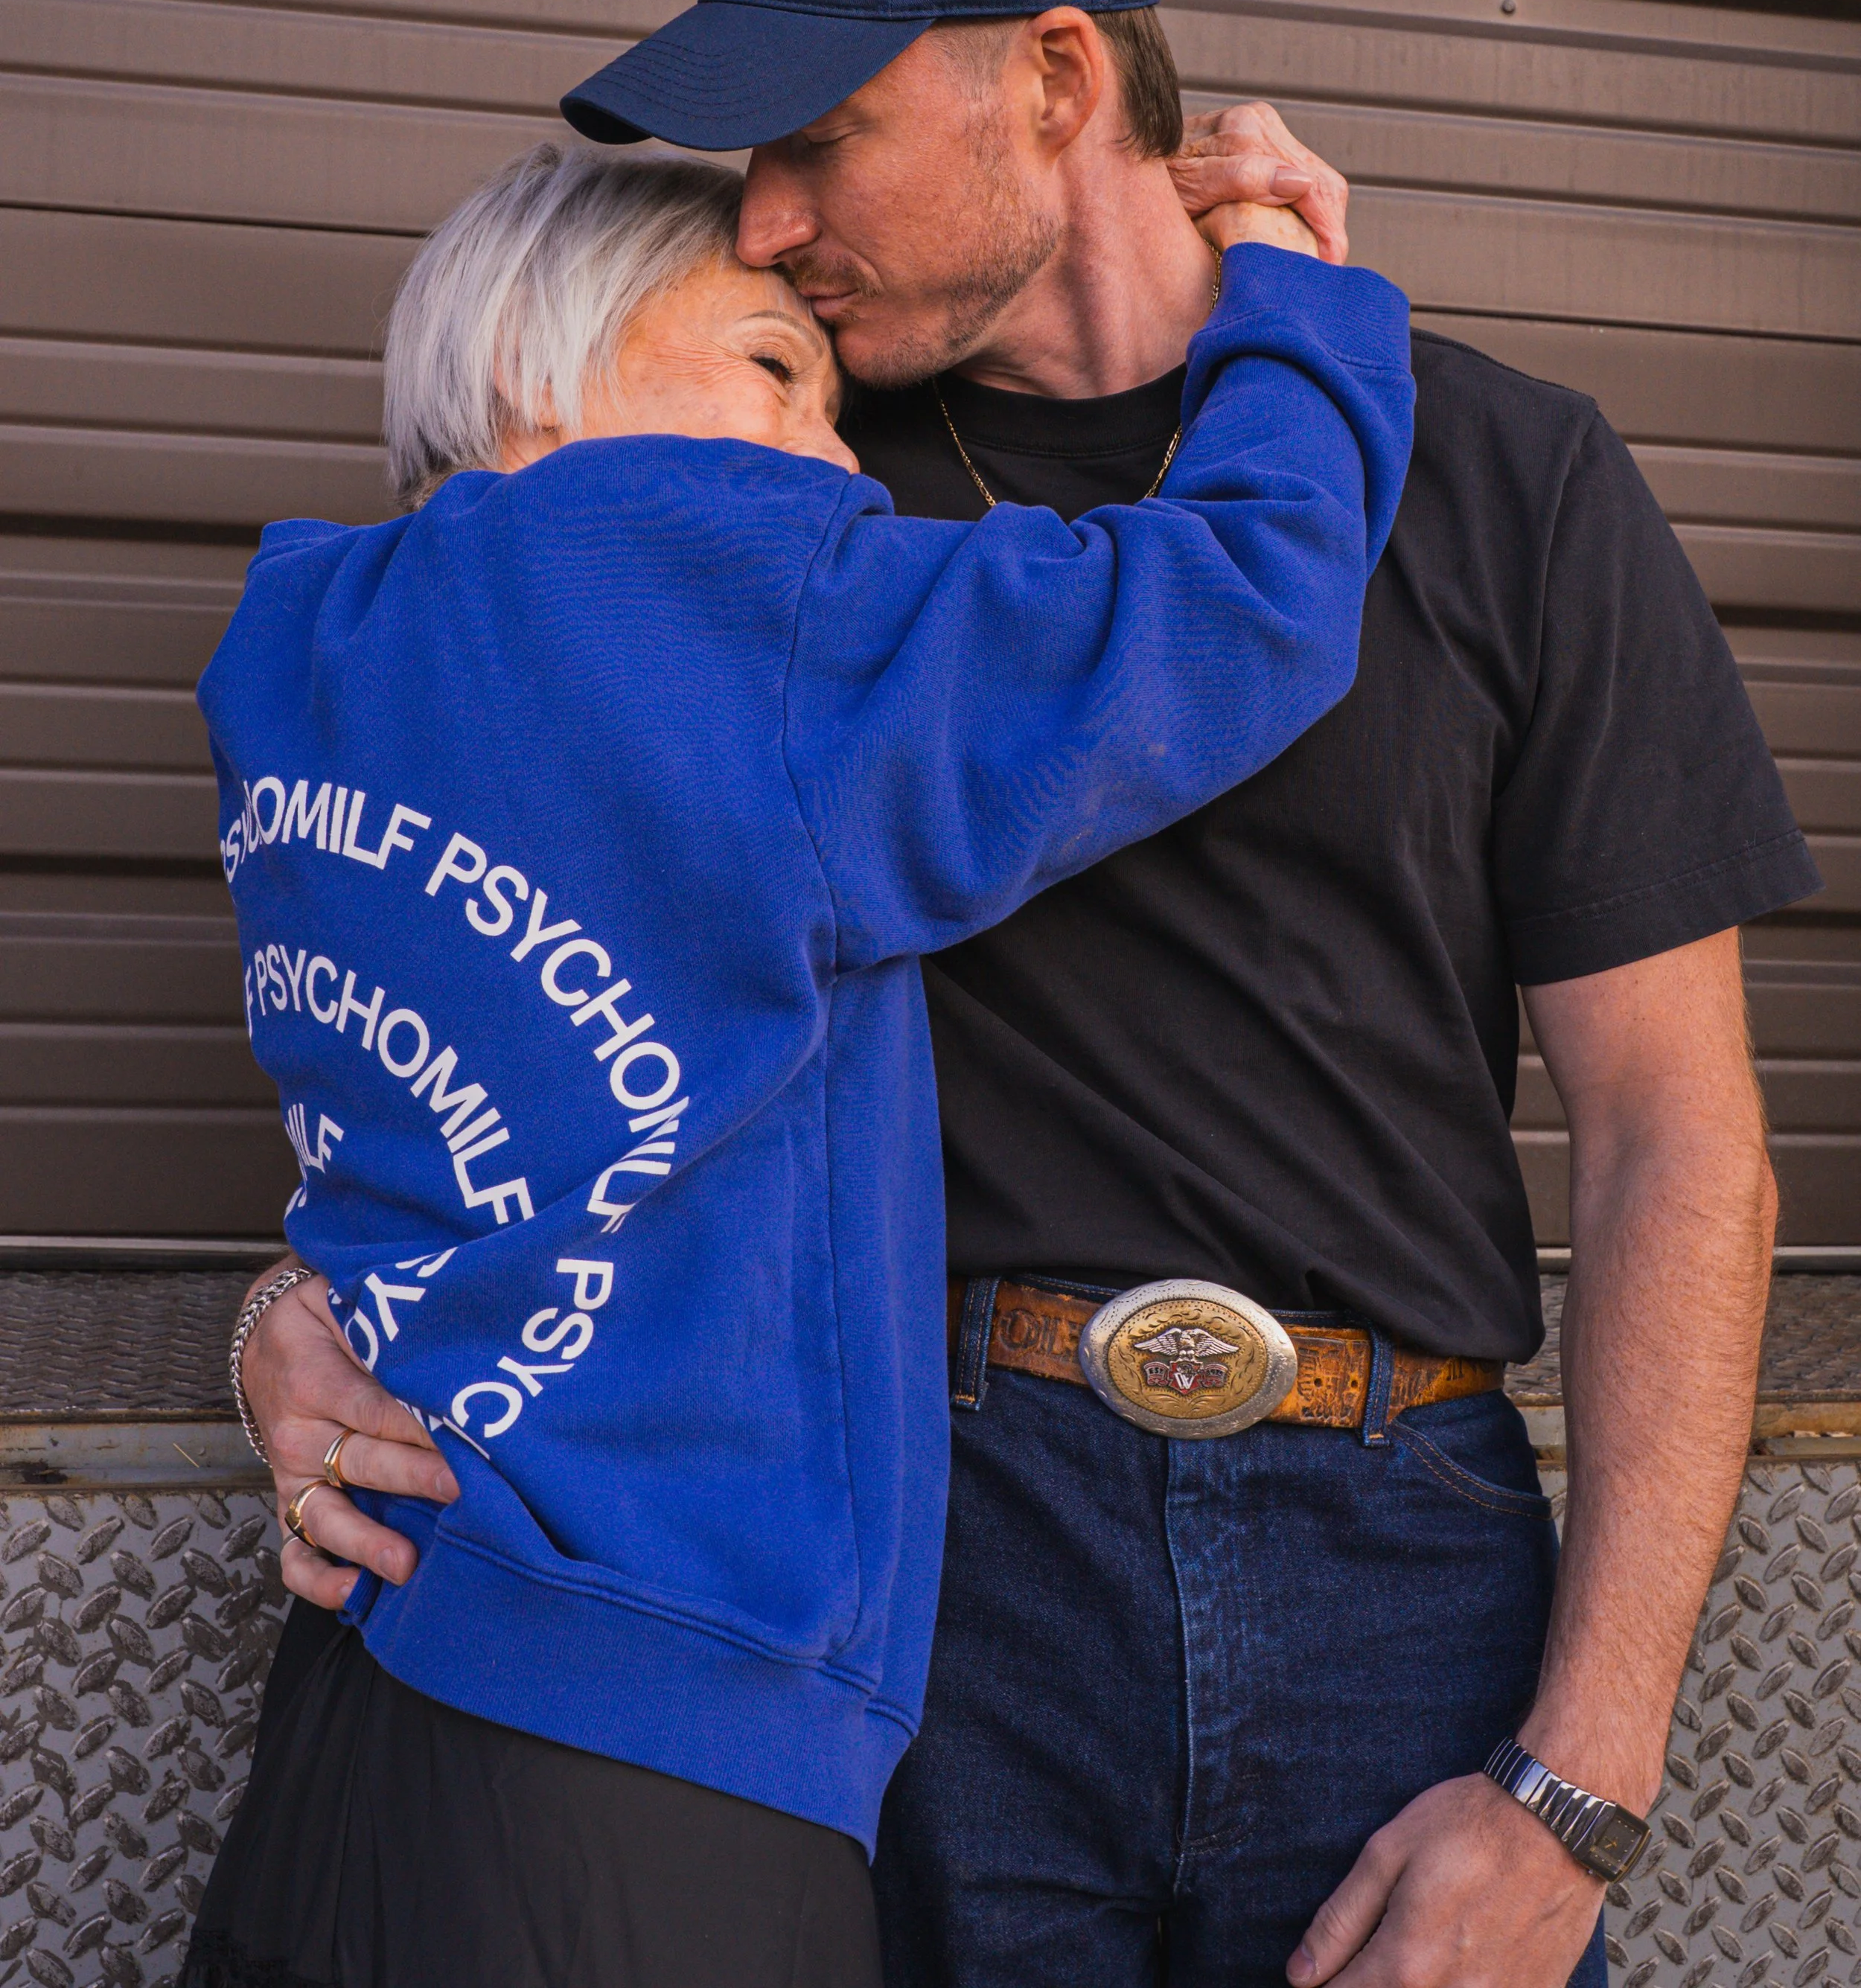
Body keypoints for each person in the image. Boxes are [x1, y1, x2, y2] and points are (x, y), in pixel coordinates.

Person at [238, 0, 1816, 1987]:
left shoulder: (1501, 476)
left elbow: (1680, 1145)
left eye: (820, 135)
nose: (761, 217)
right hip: (930, 1568)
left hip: (1405, 1551)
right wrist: (301, 1315)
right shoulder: (753, 466)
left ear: (1055, 76)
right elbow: (472, 926)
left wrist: (1583, 1777)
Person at [188, 138, 1413, 1988]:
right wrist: (1287, 286)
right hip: (651, 1731)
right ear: (537, 354)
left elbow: (447, 1112)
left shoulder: (304, 644)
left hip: (374, 1654)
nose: (841, 467)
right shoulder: (713, 592)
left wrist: (277, 1293)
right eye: (774, 365)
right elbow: (1240, 597)